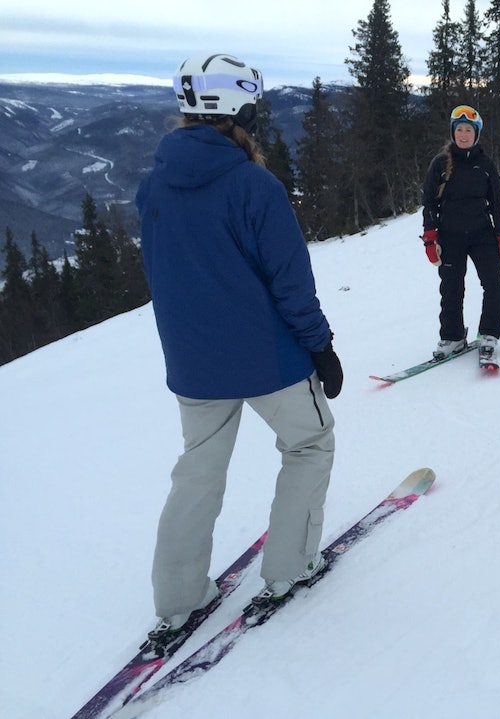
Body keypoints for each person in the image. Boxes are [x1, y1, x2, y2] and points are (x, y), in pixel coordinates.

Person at [136, 53, 344, 642]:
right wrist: (321, 347)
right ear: (241, 111)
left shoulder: (153, 184)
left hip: (193, 363)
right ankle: (289, 567)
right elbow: (291, 283)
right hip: (267, 358)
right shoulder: (255, 185)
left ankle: (179, 598)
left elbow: (165, 274)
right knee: (309, 444)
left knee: (197, 472)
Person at [420, 104, 500, 367]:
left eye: (468, 130)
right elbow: (429, 203)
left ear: (476, 134)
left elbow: (498, 203)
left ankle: (490, 333)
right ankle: (453, 337)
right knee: (451, 288)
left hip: (482, 234)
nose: (463, 134)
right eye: (459, 129)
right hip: (450, 236)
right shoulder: (440, 165)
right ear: (453, 132)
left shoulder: (486, 165)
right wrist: (430, 238)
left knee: (494, 284)